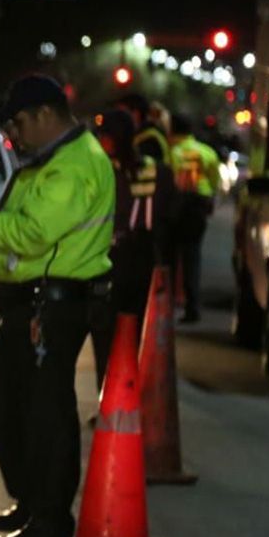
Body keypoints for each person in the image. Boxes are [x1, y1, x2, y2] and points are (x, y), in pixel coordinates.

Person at [0, 75, 114, 537]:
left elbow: (37, 231)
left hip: (55, 304)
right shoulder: (48, 161)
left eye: (19, 122)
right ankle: (34, 502)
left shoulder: (74, 165)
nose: (16, 133)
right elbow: (21, 218)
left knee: (46, 413)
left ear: (44, 114)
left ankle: (52, 521)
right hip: (29, 301)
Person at [90, 108, 178, 389]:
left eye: (105, 137)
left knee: (106, 332)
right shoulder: (158, 172)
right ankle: (128, 396)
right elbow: (170, 216)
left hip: (111, 261)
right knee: (136, 331)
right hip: (143, 260)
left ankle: (115, 398)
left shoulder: (102, 171)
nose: (101, 142)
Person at [168, 113, 221, 323]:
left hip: (177, 204)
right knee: (192, 256)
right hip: (199, 205)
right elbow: (214, 179)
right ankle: (192, 307)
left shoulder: (173, 152)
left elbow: (168, 179)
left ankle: (166, 305)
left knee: (170, 257)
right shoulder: (206, 152)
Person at [116, 93, 171, 169]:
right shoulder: (138, 135)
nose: (118, 119)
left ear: (136, 114)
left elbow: (144, 164)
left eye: (121, 114)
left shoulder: (150, 138)